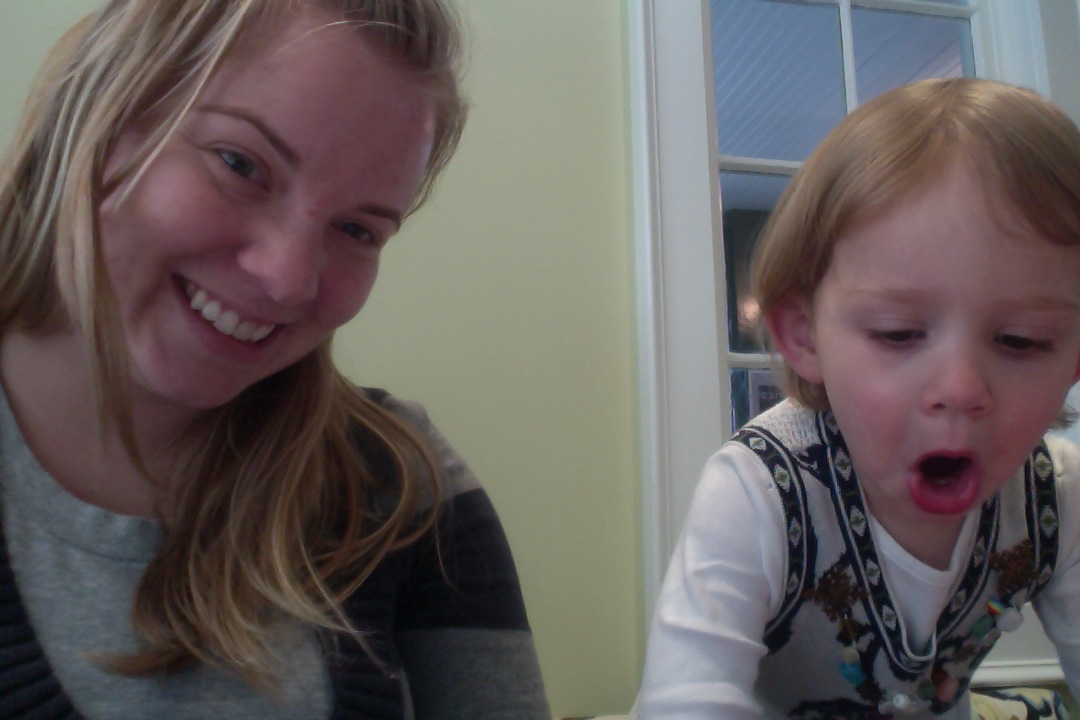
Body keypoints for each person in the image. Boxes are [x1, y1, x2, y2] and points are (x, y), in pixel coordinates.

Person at [0, 1, 550, 718]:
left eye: (357, 228)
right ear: (99, 112)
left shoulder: (400, 487)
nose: (288, 278)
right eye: (240, 165)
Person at [634, 77, 1080, 719]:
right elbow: (685, 699)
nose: (960, 389)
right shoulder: (757, 492)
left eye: (1021, 340)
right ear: (804, 336)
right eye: (898, 333)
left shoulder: (1056, 498)